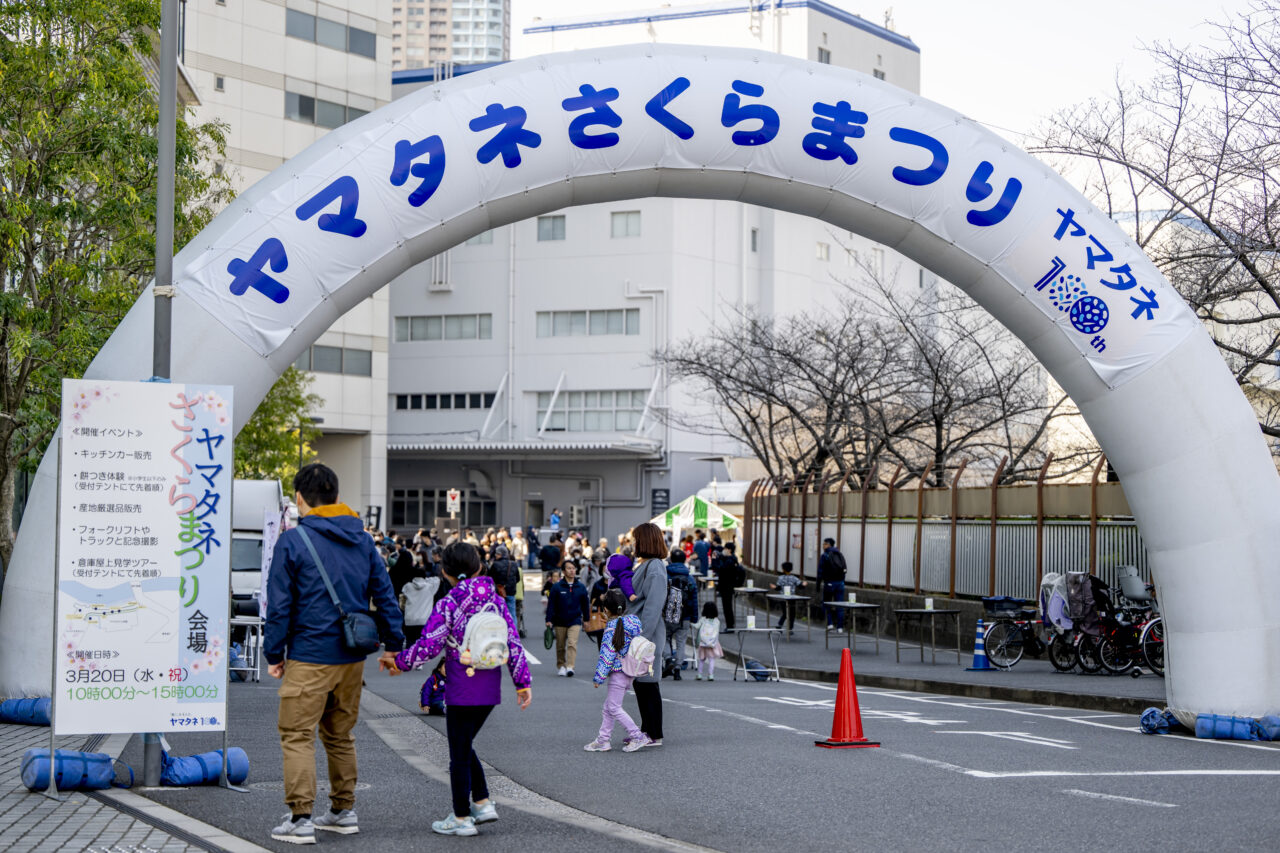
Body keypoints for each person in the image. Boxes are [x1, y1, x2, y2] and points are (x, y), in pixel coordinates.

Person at [264, 463, 405, 844]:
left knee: (297, 735)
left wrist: (273, 653)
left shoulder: (293, 541)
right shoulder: (362, 540)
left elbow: (279, 606)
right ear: (337, 498)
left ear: (299, 499)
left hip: (310, 655)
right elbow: (385, 594)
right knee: (340, 735)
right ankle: (343, 810)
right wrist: (394, 645)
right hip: (351, 657)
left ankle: (300, 818)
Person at [387, 542, 532, 837]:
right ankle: (482, 802)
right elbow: (514, 645)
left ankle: (462, 817)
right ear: (479, 566)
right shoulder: (498, 601)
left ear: (445, 572)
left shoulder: (449, 602)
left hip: (461, 685)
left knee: (458, 752)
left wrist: (399, 663)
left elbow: (429, 644)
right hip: (490, 686)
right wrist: (522, 683)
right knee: (463, 744)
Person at [585, 590, 651, 752]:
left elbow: (607, 657)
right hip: (630, 672)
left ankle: (637, 735)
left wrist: (598, 678)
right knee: (608, 707)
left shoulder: (610, 631)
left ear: (606, 610)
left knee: (614, 707)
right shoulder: (632, 623)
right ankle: (603, 739)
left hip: (618, 673)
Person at [626, 522, 669, 746]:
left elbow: (653, 604)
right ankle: (646, 730)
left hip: (646, 634)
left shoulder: (654, 567)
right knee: (641, 683)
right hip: (642, 632)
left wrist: (640, 635)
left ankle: (654, 733)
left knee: (648, 683)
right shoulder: (649, 565)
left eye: (636, 538)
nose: (634, 543)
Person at [544, 561, 590, 676]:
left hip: (575, 620)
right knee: (560, 645)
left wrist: (587, 620)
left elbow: (585, 604)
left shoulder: (581, 587)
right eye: (569, 568)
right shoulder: (557, 587)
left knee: (572, 643)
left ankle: (570, 666)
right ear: (563, 571)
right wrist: (548, 620)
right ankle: (561, 666)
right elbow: (551, 605)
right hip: (559, 621)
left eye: (574, 568)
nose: (572, 570)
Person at [664, 549, 696, 679]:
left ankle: (668, 659)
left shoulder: (665, 575)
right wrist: (694, 616)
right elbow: (694, 598)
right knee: (681, 642)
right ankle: (677, 669)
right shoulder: (689, 577)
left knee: (664, 638)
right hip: (685, 615)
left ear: (670, 559)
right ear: (684, 560)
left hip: (667, 613)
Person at [817, 537, 848, 632]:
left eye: (824, 544)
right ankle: (840, 627)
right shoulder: (839, 554)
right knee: (839, 605)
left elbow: (820, 572)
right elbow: (844, 569)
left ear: (828, 545)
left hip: (829, 583)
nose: (823, 546)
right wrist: (842, 581)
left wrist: (818, 584)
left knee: (826, 604)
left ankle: (830, 624)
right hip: (840, 584)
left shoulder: (825, 555)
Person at [716, 542, 744, 631]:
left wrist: (716, 560)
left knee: (727, 607)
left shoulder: (730, 561)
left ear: (729, 550)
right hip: (728, 586)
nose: (723, 550)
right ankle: (730, 625)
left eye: (725, 548)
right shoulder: (731, 559)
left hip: (727, 586)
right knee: (727, 606)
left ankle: (730, 626)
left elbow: (721, 570)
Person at [693, 601, 724, 681]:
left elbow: (697, 626)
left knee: (702, 659)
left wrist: (691, 623)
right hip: (712, 643)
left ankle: (699, 674)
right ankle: (710, 675)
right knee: (711, 659)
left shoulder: (703, 619)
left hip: (703, 643)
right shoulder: (717, 621)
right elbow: (716, 632)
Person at [772, 561, 805, 633]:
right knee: (792, 614)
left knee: (785, 613)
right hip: (792, 598)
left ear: (783, 569)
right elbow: (800, 586)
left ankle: (780, 625)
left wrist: (774, 587)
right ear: (791, 569)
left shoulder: (780, 578)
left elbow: (778, 588)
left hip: (782, 598)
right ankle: (790, 628)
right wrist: (804, 584)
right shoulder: (794, 578)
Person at [490, 544, 521, 618]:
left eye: (496, 554)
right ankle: (513, 629)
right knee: (512, 614)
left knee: (499, 613)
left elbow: (490, 579)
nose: (496, 556)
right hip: (511, 592)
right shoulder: (513, 564)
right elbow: (518, 578)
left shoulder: (495, 565)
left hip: (499, 593)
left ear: (500, 554)